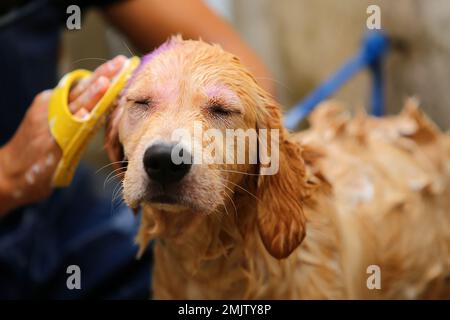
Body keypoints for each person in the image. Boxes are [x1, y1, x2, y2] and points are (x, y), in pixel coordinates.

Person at [0, 0, 273, 299]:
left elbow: (247, 72)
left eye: (219, 109)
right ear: (113, 144)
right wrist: (10, 176)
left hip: (62, 218)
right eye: (142, 103)